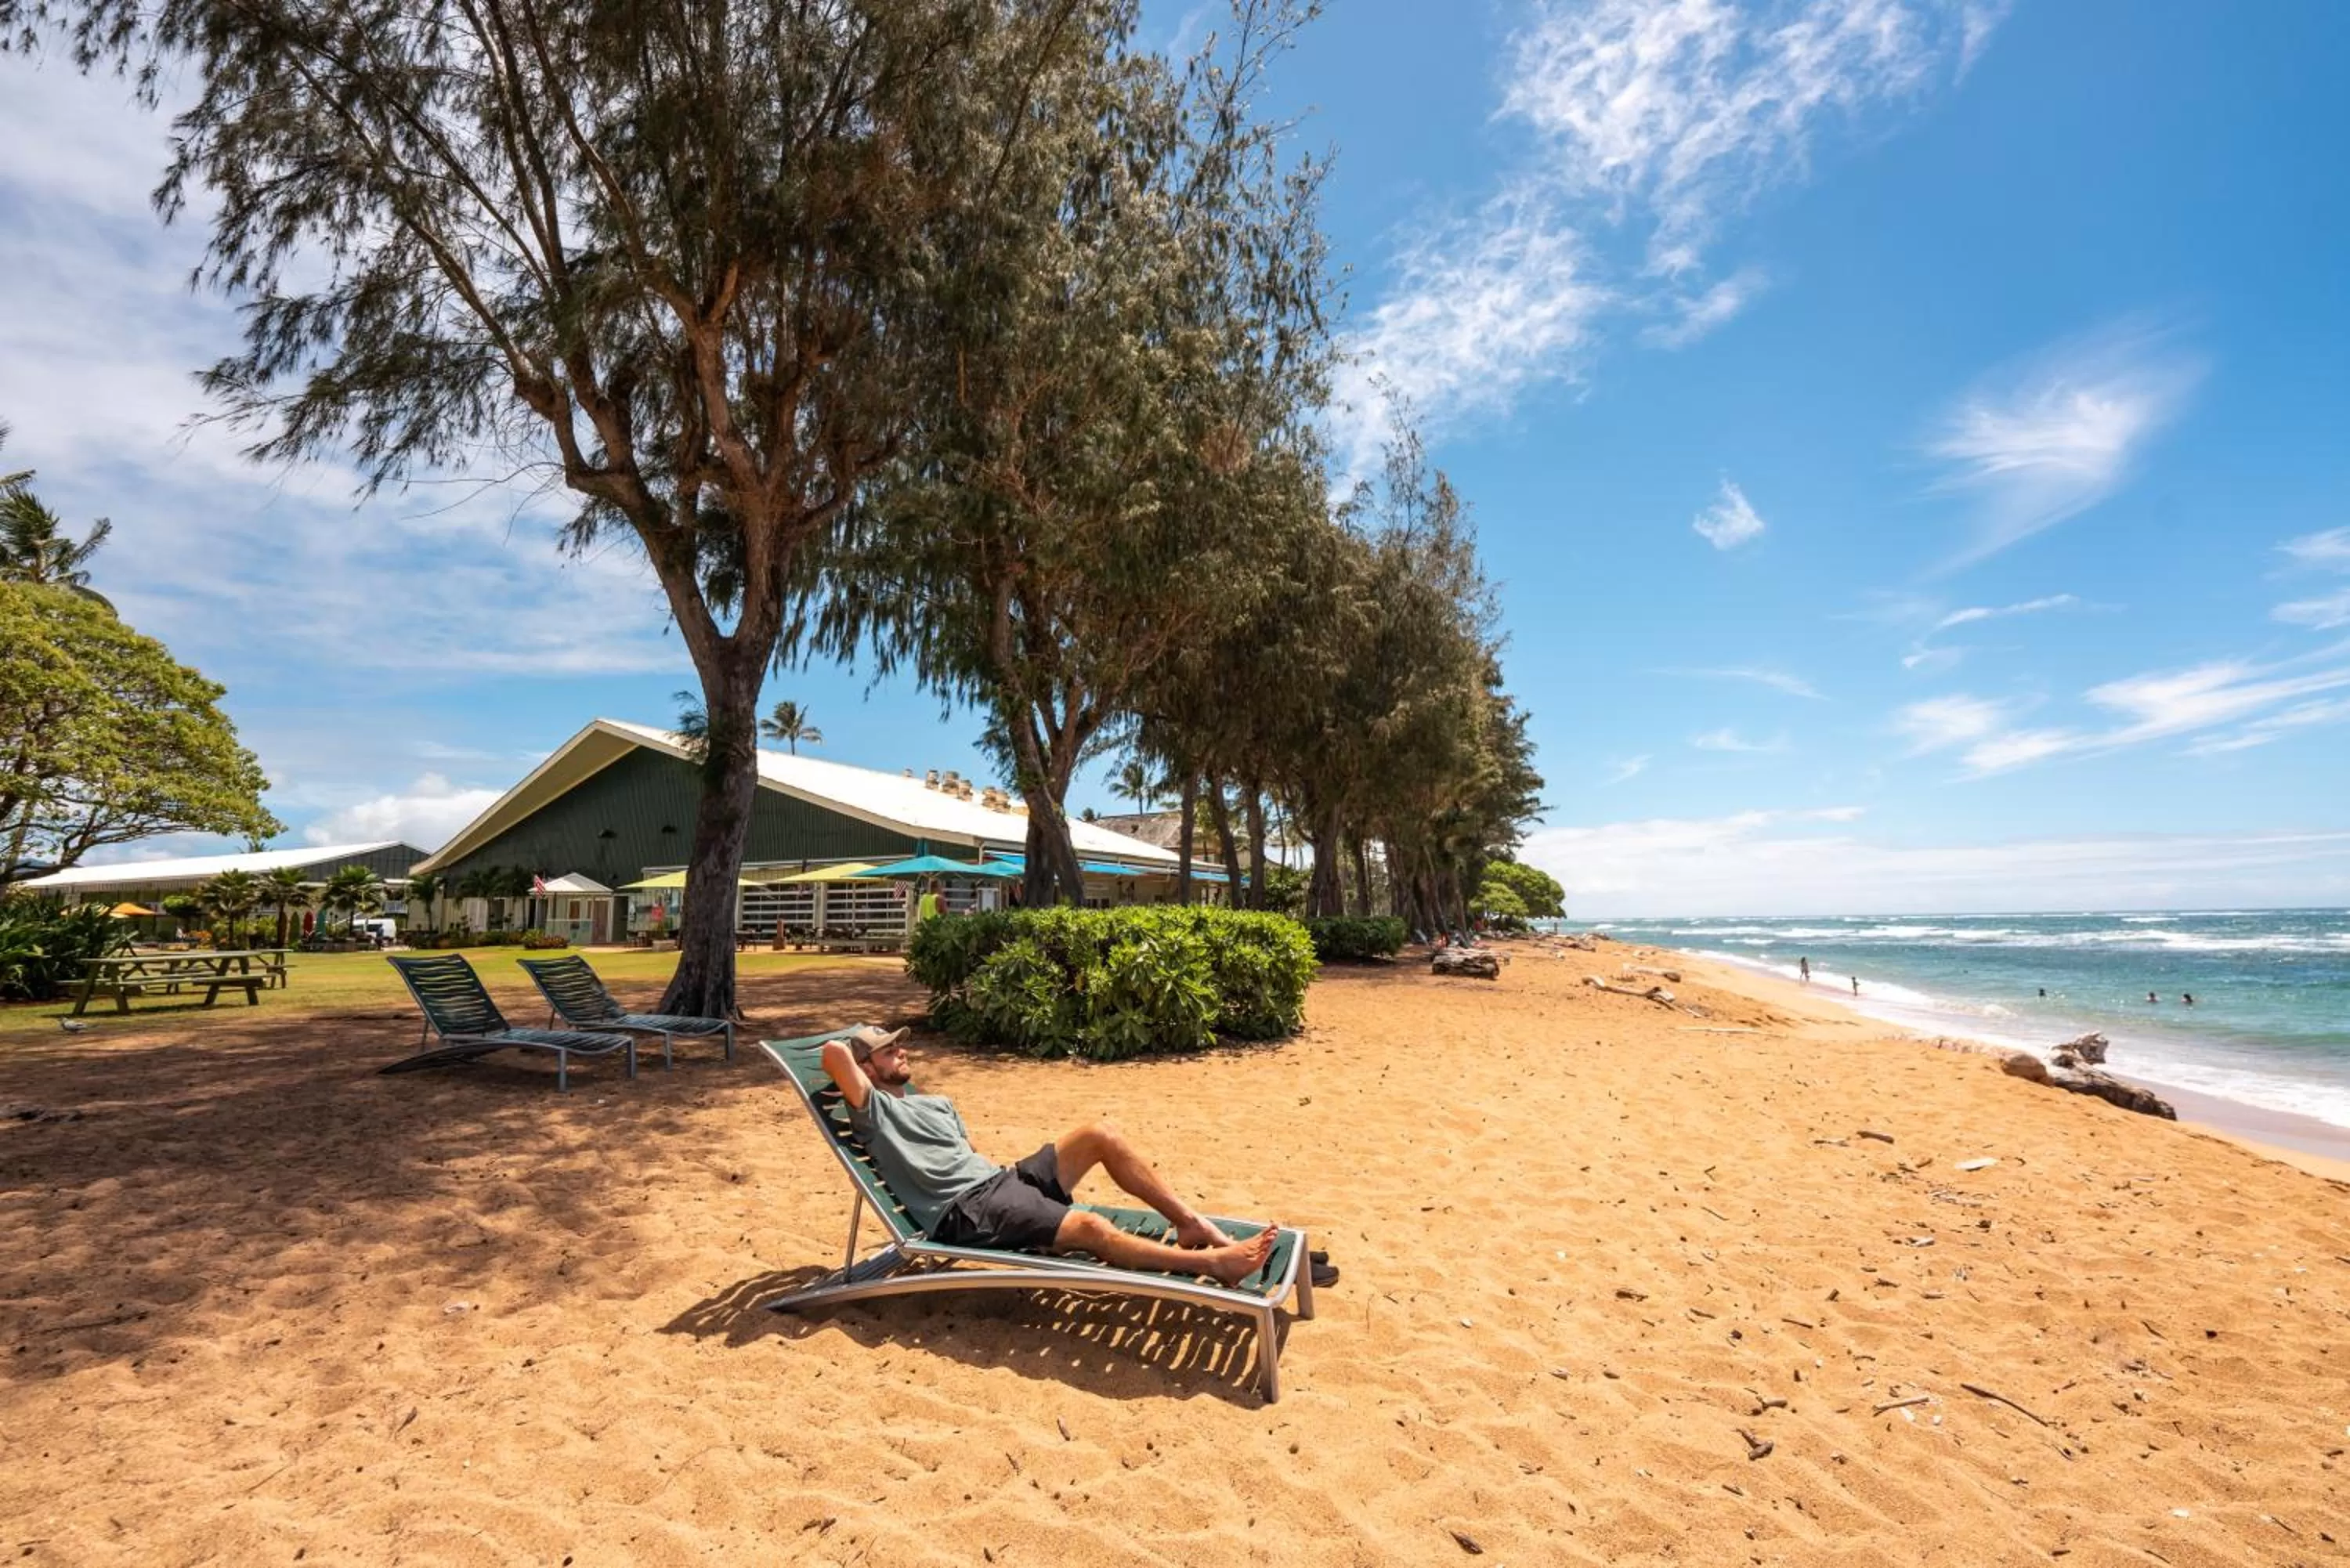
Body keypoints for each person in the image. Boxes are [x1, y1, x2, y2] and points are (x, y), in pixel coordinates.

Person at [819, 1026, 1278, 1285]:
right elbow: (833, 1053)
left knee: (1100, 1133)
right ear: (866, 1069)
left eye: (899, 1044)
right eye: (887, 1050)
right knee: (1090, 1227)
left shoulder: (936, 1103)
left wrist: (1025, 1204)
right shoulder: (872, 1112)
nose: (902, 1051)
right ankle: (1212, 1263)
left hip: (1001, 1183)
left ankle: (1188, 1223)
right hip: (965, 1211)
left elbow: (972, 1156)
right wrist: (858, 1048)